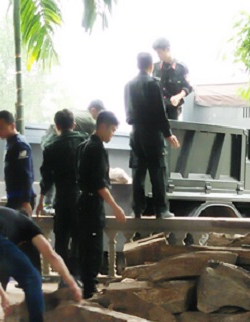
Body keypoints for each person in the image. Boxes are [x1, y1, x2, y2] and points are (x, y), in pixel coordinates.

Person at [124, 52, 180, 219]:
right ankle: (161, 210)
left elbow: (128, 112)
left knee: (138, 171)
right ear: (151, 65)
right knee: (158, 171)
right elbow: (159, 112)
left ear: (137, 65)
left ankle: (137, 209)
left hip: (135, 132)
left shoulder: (128, 85)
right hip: (152, 133)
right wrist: (168, 134)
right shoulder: (152, 84)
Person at [77, 111, 126, 298]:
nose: (112, 134)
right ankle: (90, 289)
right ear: (103, 126)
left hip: (83, 201)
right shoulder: (96, 149)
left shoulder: (83, 146)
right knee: (93, 248)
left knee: (84, 246)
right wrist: (115, 206)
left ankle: (86, 285)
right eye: (112, 130)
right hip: (91, 203)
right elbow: (99, 184)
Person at [35, 109, 88, 282]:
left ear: (56, 126)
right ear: (73, 124)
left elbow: (47, 177)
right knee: (79, 238)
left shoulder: (51, 147)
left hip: (62, 198)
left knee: (61, 239)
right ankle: (77, 276)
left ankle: (64, 279)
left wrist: (41, 200)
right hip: (81, 197)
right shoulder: (84, 142)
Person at [0, 110, 40, 289]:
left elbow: (26, 175)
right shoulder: (10, 145)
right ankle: (25, 277)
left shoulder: (20, 146)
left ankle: (3, 278)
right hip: (14, 199)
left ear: (12, 126)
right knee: (20, 240)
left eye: (1, 127)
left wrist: (26, 201)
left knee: (14, 239)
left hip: (21, 201)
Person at [152, 37, 193, 120]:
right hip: (158, 108)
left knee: (172, 131)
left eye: (160, 52)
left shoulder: (181, 67)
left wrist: (178, 97)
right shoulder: (156, 67)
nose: (158, 55)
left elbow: (188, 87)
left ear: (168, 49)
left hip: (173, 108)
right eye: (157, 53)